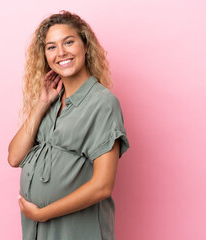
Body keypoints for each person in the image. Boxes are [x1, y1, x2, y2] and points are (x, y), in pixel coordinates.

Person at [8, 10, 130, 240]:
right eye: (51, 47)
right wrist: (42, 103)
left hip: (77, 229)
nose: (61, 52)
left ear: (85, 45)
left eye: (69, 42)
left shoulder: (102, 103)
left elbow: (103, 186)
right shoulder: (51, 100)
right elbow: (14, 157)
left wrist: (43, 213)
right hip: (37, 228)